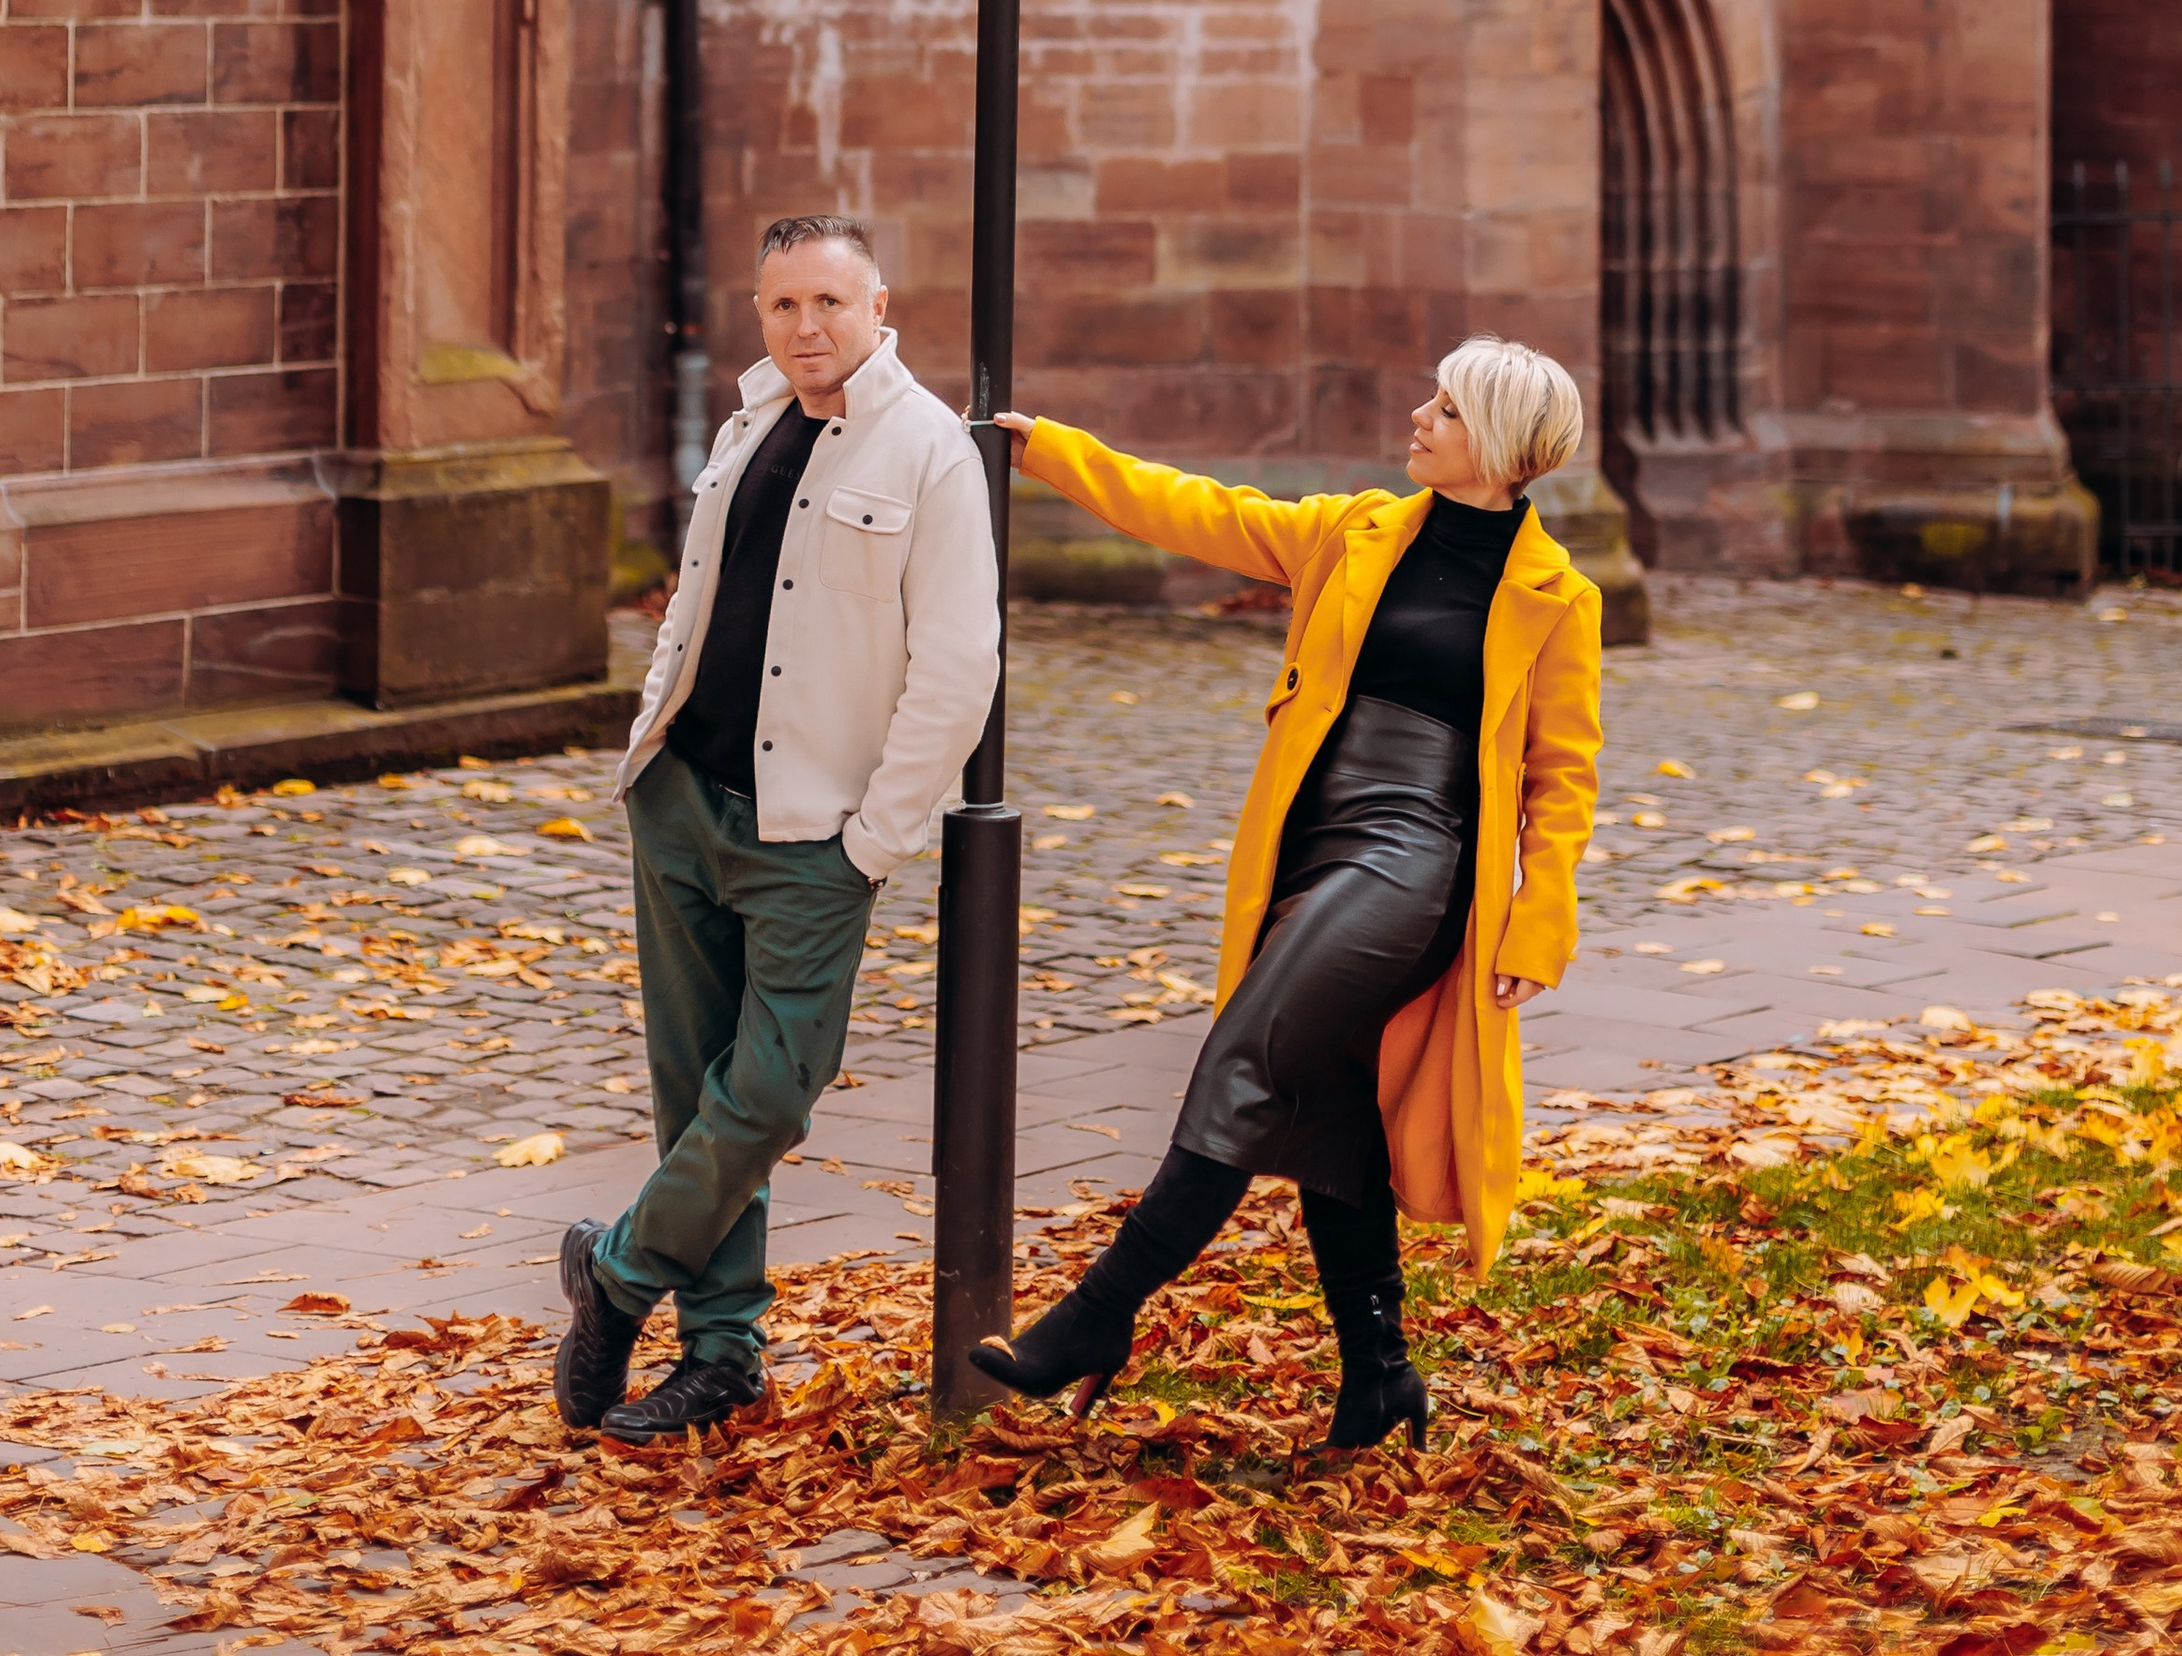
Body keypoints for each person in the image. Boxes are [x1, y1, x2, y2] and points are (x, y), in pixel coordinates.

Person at [970, 337, 1601, 1450]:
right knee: (1326, 1107)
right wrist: (1052, 453)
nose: (1418, 415)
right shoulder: (1354, 530)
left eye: (1445, 409)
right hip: (1310, 844)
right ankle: (1380, 1375)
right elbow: (1202, 511)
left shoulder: (1557, 597)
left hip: (1417, 858)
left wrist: (1536, 921)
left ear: (1499, 445)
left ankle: (1097, 1315)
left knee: (1247, 1057)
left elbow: (1563, 778)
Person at [555, 213, 998, 1442]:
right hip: (683, 800)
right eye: (784, 306)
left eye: (829, 304)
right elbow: (692, 607)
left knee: (771, 1091)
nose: (807, 327)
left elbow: (959, 667)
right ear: (762, 315)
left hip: (812, 831)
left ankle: (619, 1272)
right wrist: (648, 741)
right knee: (694, 1089)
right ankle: (722, 1354)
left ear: (878, 305)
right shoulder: (750, 424)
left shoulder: (928, 453)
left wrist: (873, 839)